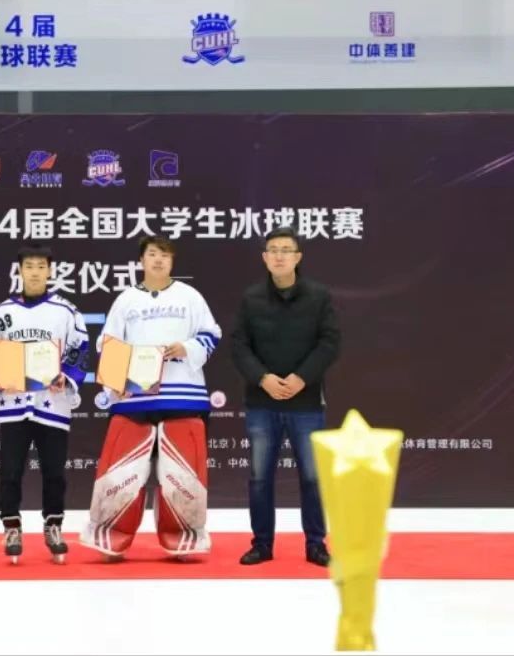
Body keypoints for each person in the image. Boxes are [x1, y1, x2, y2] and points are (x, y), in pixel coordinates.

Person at [80, 235, 222, 560]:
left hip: (183, 395)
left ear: (173, 261)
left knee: (182, 473)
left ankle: (184, 537)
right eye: (153, 254)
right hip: (134, 399)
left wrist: (186, 347)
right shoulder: (126, 300)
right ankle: (111, 536)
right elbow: (108, 343)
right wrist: (114, 382)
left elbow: (211, 334)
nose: (158, 260)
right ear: (141, 260)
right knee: (122, 471)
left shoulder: (190, 296)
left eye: (165, 255)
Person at [231, 226, 340, 567]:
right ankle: (262, 544)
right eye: (273, 250)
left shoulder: (318, 296)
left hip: (306, 403)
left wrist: (301, 378)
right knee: (260, 478)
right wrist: (262, 378)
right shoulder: (251, 299)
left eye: (286, 250)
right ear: (265, 258)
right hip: (262, 402)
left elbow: (330, 342)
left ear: (298, 257)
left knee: (312, 477)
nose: (279, 256)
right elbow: (239, 345)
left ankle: (316, 545)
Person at [0, 245, 90, 564]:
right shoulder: (3, 312)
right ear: (20, 270)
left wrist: (66, 376)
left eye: (41, 266)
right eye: (29, 266)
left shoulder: (66, 310)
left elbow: (80, 347)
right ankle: (11, 528)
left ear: (50, 271)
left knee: (54, 471)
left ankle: (53, 525)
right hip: (13, 402)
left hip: (51, 403)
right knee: (10, 471)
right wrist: (0, 375)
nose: (35, 272)